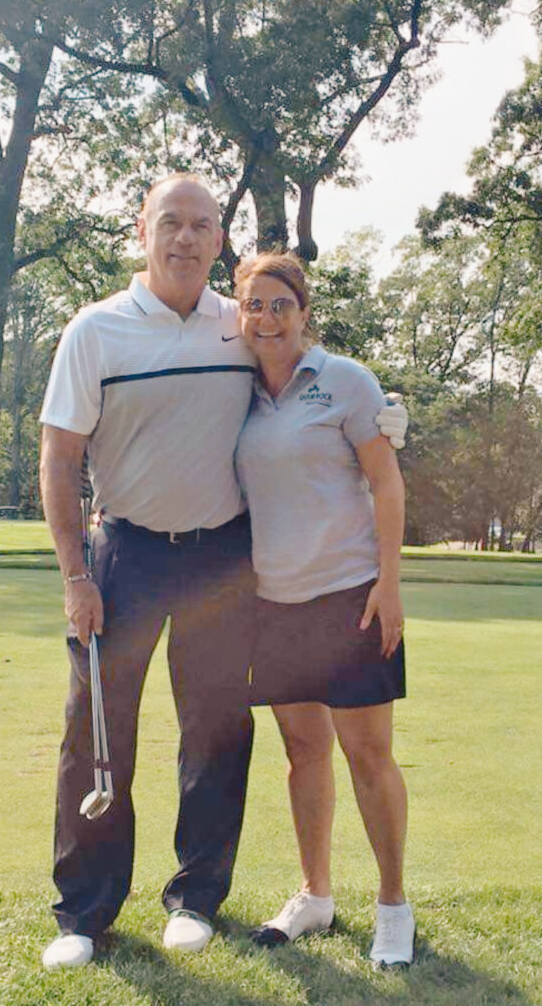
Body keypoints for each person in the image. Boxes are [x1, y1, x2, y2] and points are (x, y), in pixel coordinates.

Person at [38, 174, 409, 970]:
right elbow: (59, 455)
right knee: (97, 731)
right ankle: (84, 913)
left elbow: (311, 376)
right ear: (142, 229)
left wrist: (385, 415)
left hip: (219, 557)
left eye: (201, 225)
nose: (184, 238)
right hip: (126, 550)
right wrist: (75, 574)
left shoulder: (238, 326)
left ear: (218, 239)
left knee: (214, 730)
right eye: (169, 223)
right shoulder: (94, 330)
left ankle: (195, 896)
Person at [233, 252, 415, 967]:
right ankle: (314, 894)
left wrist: (389, 582)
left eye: (281, 304)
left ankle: (392, 904)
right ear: (238, 313)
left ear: (304, 312)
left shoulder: (344, 380)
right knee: (302, 752)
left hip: (351, 596)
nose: (267, 318)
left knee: (367, 755)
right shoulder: (235, 390)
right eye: (253, 305)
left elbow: (387, 485)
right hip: (274, 603)